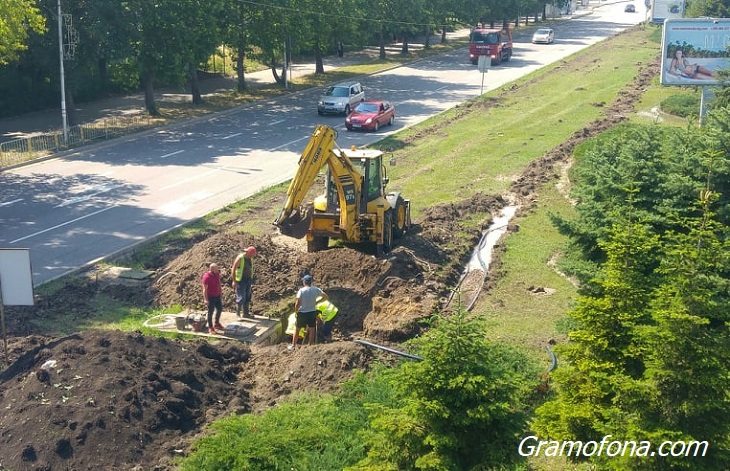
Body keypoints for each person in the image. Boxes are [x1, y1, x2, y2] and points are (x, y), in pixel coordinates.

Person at [289, 274, 327, 350]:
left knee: (297, 329)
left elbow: (297, 303)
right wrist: (317, 302)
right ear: (311, 282)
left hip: (302, 312)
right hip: (312, 312)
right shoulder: (316, 289)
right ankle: (310, 346)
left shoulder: (301, 291)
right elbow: (325, 296)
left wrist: (296, 312)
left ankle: (293, 346)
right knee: (312, 329)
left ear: (304, 282)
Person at [231, 246, 256, 319]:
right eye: (252, 255)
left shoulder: (250, 259)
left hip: (248, 280)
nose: (253, 256)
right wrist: (234, 281)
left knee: (248, 297)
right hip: (241, 281)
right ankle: (238, 314)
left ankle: (246, 313)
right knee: (241, 297)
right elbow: (233, 269)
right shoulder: (240, 258)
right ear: (248, 253)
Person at [201, 263, 224, 334]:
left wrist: (220, 292)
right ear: (212, 269)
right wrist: (206, 299)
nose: (218, 270)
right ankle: (210, 327)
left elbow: (218, 284)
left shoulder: (217, 274)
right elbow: (204, 289)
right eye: (216, 269)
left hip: (217, 296)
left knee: (220, 309)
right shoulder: (206, 277)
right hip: (210, 297)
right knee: (210, 312)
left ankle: (216, 323)